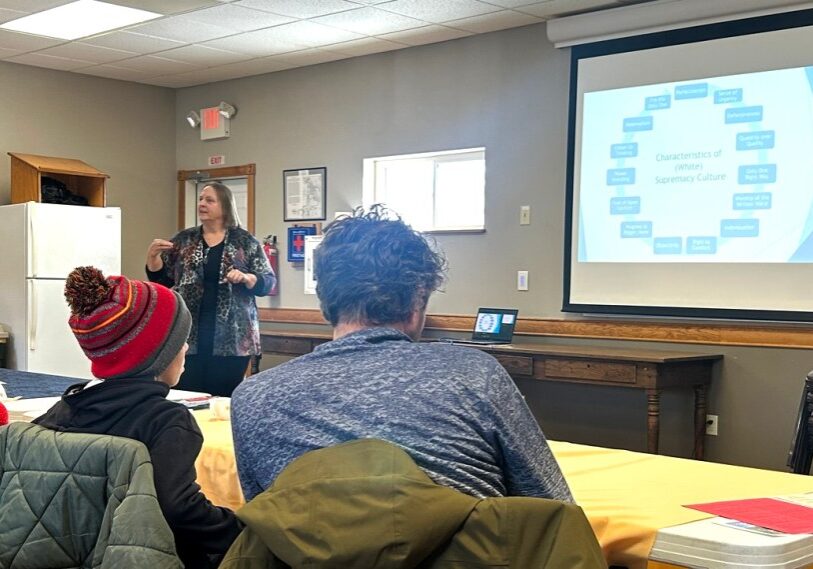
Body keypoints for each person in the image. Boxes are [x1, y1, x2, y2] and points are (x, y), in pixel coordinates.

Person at [231, 205, 573, 503]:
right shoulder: (475, 374)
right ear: (418, 302)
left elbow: (267, 522)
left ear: (325, 303)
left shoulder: (252, 399)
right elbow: (554, 509)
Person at [35, 266, 243, 568]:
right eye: (180, 340)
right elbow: (178, 510)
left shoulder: (60, 412)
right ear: (157, 354)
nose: (186, 347)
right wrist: (239, 531)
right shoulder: (167, 422)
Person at [146, 181, 275, 396]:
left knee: (222, 399)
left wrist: (247, 277)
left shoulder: (245, 241)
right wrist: (152, 258)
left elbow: (268, 282)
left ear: (224, 206)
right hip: (189, 337)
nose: (202, 204)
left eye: (209, 200)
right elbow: (162, 283)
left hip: (233, 340)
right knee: (187, 396)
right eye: (200, 199)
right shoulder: (184, 239)